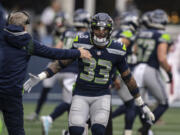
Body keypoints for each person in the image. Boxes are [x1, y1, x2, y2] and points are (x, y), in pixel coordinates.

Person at [24, 13, 155, 135]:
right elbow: (61, 63)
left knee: (98, 130)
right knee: (76, 131)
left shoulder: (117, 48)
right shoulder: (82, 41)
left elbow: (127, 77)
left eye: (104, 29)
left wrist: (140, 103)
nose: (101, 32)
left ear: (110, 31)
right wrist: (42, 76)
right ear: (91, 29)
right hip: (81, 93)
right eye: (97, 28)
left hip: (101, 96)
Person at [0, 11, 91, 135]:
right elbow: (53, 52)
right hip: (12, 93)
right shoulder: (28, 43)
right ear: (24, 26)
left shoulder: (2, 36)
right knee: (16, 131)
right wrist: (77, 53)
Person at [133, 9, 172, 135]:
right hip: (150, 69)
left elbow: (135, 51)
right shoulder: (162, 35)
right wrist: (169, 72)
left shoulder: (141, 33)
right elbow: (161, 58)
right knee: (164, 102)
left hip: (137, 69)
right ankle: (146, 127)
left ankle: (144, 130)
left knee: (140, 103)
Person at [111, 12, 139, 135]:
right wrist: (114, 75)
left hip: (114, 71)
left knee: (130, 104)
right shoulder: (127, 33)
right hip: (118, 71)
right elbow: (116, 50)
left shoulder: (116, 33)